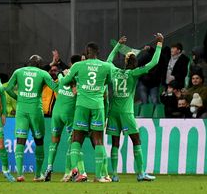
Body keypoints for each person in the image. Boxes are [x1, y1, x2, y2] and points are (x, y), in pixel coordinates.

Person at [106, 34, 163, 182]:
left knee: (115, 143)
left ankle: (114, 175)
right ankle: (140, 173)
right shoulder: (133, 74)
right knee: (136, 140)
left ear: (125, 62)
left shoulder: (114, 71)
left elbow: (108, 61)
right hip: (126, 112)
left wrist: (118, 45)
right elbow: (154, 62)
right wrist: (159, 45)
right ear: (135, 62)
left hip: (113, 112)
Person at [59, 42, 113, 183]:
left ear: (86, 53)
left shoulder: (77, 66)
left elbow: (64, 81)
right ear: (98, 52)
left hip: (82, 105)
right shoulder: (106, 66)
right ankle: (100, 176)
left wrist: (72, 79)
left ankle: (76, 172)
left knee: (76, 139)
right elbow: (109, 81)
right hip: (97, 106)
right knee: (98, 140)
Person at [5, 55, 58, 182]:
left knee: (20, 141)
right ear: (39, 65)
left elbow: (8, 88)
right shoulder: (43, 73)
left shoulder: (18, 72)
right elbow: (56, 88)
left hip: (21, 111)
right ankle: (38, 174)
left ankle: (19, 174)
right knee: (39, 141)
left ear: (28, 63)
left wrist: (18, 98)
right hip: (36, 111)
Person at [43, 55, 84, 182]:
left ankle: (49, 167)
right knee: (73, 142)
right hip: (69, 114)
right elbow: (77, 92)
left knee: (54, 142)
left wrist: (61, 70)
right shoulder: (80, 79)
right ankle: (72, 171)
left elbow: (57, 76)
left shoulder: (61, 76)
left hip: (56, 113)